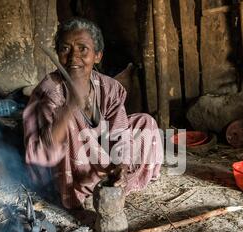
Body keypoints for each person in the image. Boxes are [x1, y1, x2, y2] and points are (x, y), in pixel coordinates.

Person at [23, 17, 163, 210]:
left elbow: (120, 131)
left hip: (97, 156)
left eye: (83, 49)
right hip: (62, 170)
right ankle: (79, 194)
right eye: (65, 49)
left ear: (97, 56)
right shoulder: (49, 92)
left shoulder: (109, 87)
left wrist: (121, 164)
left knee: (145, 123)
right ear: (57, 53)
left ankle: (118, 180)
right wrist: (70, 106)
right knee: (71, 122)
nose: (73, 57)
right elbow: (42, 155)